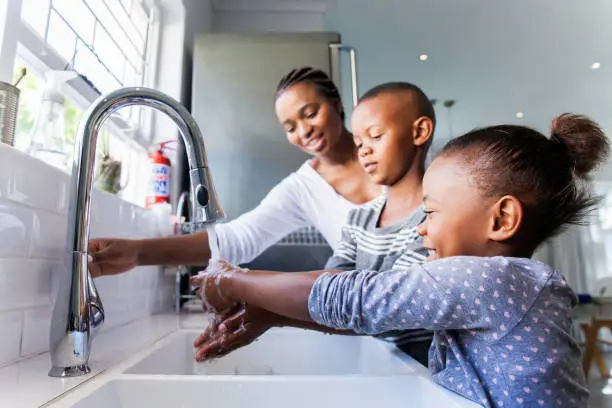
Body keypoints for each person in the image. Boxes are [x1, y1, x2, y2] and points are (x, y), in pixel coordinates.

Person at [193, 113, 609, 407]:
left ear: (501, 219)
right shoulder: (502, 284)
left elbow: (358, 298)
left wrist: (233, 280)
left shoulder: (491, 279)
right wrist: (272, 315)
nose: (421, 228)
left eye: (431, 213)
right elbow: (383, 313)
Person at [194, 82, 437, 365]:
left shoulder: (436, 219)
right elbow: (333, 297)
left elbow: (379, 304)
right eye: (359, 142)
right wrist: (271, 315)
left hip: (431, 379)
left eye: (376, 136)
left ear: (419, 132)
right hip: (388, 368)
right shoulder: (360, 220)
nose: (364, 151)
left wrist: (236, 282)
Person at [87, 67, 380, 276]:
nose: (304, 131)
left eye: (311, 113)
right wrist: (138, 253)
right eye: (290, 127)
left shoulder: (386, 147)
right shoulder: (302, 188)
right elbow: (239, 238)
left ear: (337, 104)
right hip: (385, 328)